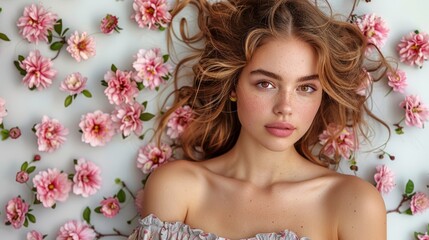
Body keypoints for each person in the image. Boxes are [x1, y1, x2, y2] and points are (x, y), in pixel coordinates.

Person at [129, 0, 392, 239]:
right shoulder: (177, 188)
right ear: (234, 86)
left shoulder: (353, 203)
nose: (284, 107)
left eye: (306, 88)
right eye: (265, 84)